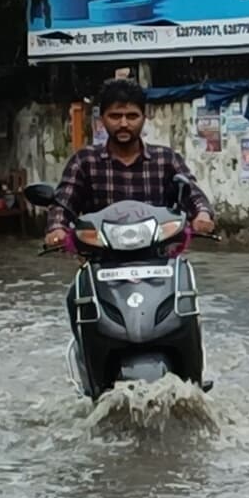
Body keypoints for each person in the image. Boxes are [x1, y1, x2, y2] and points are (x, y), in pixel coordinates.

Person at [43, 78, 217, 321]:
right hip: (102, 264)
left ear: (144, 117)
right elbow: (64, 202)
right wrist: (57, 229)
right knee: (77, 300)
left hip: (159, 264)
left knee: (186, 306)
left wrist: (202, 215)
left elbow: (192, 193)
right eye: (115, 116)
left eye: (132, 116)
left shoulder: (166, 159)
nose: (124, 123)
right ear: (102, 118)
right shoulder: (85, 161)